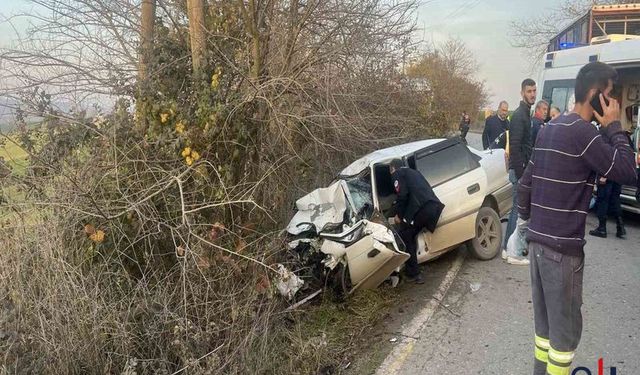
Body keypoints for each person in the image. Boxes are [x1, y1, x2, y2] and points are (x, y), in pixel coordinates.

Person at [518, 61, 637, 375]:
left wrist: (525, 223)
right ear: (597, 95)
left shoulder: (550, 128)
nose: (614, 104)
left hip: (538, 246)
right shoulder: (584, 134)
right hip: (562, 253)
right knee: (563, 339)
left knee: (544, 334)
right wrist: (614, 126)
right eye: (611, 96)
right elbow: (627, 171)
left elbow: (525, 184)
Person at [389, 159, 445, 284]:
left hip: (421, 210)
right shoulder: (414, 172)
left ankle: (414, 274)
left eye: (390, 171)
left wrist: (399, 216)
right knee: (410, 233)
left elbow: (402, 196)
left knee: (404, 235)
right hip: (433, 207)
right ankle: (415, 268)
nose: (391, 174)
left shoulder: (397, 174)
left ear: (393, 168)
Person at [502, 78, 536, 265]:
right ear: (522, 92)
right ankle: (511, 251)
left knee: (517, 209)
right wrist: (523, 174)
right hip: (519, 171)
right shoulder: (519, 116)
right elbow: (514, 147)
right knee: (518, 210)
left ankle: (507, 249)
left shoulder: (526, 114)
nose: (532, 94)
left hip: (522, 170)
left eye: (534, 91)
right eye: (529, 91)